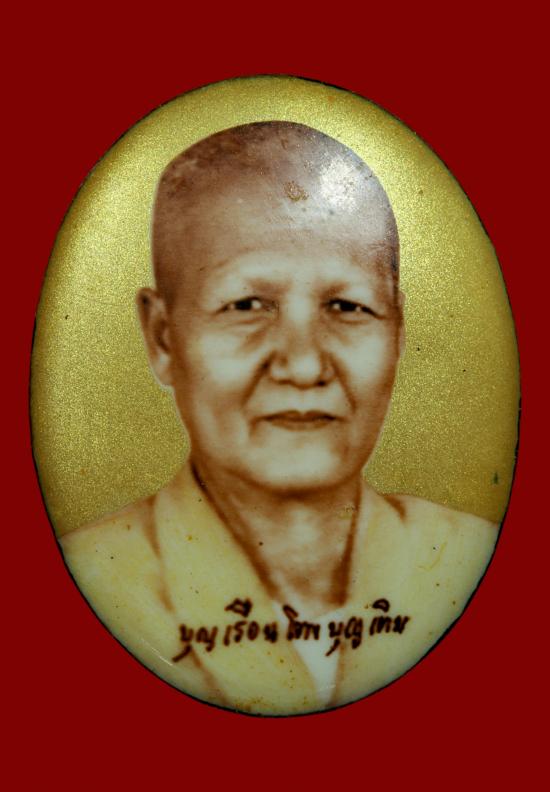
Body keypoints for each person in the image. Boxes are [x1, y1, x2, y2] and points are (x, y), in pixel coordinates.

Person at [61, 122, 498, 715]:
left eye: (347, 306)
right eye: (246, 305)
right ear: (163, 338)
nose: (303, 365)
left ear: (398, 334)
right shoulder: (93, 580)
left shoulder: (468, 560)